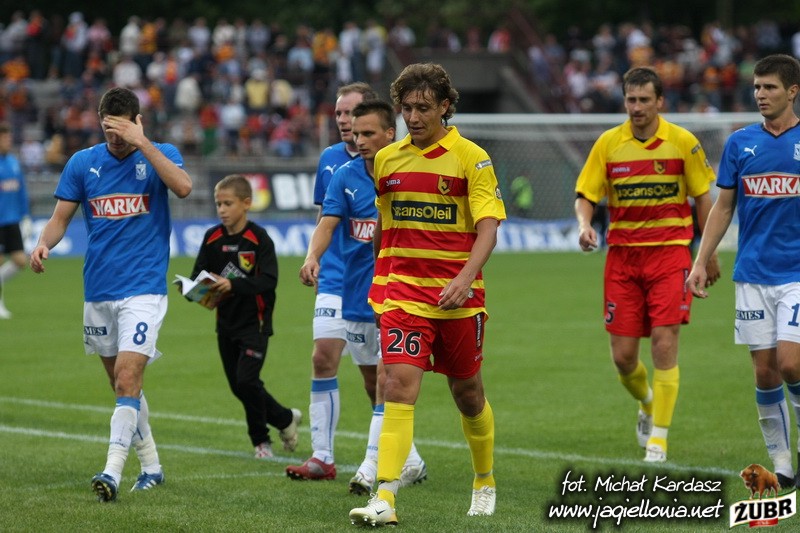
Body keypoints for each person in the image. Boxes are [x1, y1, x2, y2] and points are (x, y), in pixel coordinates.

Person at [349, 63, 507, 526]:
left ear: (445, 107)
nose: (413, 117)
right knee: (397, 386)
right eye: (406, 108)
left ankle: (484, 480)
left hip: (458, 299)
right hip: (402, 295)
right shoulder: (387, 160)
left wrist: (465, 278)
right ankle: (385, 497)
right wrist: (380, 277)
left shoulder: (472, 158)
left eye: (423, 108)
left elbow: (488, 228)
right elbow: (385, 222)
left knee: (468, 394)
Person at [29, 87, 192, 502]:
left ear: (137, 122)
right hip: (98, 289)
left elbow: (183, 187)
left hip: (144, 288)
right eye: (108, 131)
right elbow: (60, 218)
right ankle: (151, 466)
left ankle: (112, 471)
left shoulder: (160, 154)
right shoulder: (82, 163)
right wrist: (44, 243)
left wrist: (142, 143)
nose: (115, 140)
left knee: (128, 376)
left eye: (122, 131)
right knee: (122, 386)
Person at [574, 67, 720, 464]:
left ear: (659, 102)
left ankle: (659, 438)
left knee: (664, 342)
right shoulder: (608, 144)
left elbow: (703, 197)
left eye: (643, 100)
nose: (636, 107)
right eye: (631, 100)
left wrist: (707, 254)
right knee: (623, 357)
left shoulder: (682, 142)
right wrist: (585, 225)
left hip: (670, 255)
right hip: (622, 259)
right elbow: (586, 194)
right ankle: (647, 402)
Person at [297, 100, 427, 495]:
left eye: (368, 133)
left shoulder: (411, 171)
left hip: (401, 291)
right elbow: (327, 222)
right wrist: (312, 256)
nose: (360, 140)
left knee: (389, 380)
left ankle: (371, 468)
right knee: (374, 383)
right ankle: (411, 460)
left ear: (390, 133)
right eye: (356, 134)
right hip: (356, 292)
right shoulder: (345, 175)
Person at [686, 54, 800, 489]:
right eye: (756, 87)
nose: (760, 95)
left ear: (792, 91)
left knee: (791, 364)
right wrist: (701, 260)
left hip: (796, 273)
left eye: (770, 87)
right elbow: (724, 207)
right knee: (765, 372)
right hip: (752, 274)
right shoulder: (740, 143)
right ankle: (782, 463)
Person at [286, 83, 380, 481]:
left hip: (376, 281)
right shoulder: (331, 161)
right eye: (339, 114)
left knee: (375, 378)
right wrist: (315, 256)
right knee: (322, 357)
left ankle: (403, 454)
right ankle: (322, 456)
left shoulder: (395, 163)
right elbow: (326, 217)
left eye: (351, 113)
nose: (343, 121)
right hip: (335, 278)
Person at [185, 174, 301, 460]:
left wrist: (233, 285)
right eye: (218, 204)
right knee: (239, 387)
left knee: (247, 381)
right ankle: (285, 418)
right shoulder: (212, 237)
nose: (222, 210)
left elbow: (269, 280)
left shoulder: (259, 238)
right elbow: (196, 276)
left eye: (228, 203)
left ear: (246, 203)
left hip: (256, 323)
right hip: (225, 323)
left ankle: (261, 441)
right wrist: (198, 289)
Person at [0, 122, 30, 319]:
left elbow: (21, 191)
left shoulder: (13, 162)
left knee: (20, 261)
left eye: (9, 138)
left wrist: (25, 216)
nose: (8, 141)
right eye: (4, 138)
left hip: (12, 220)